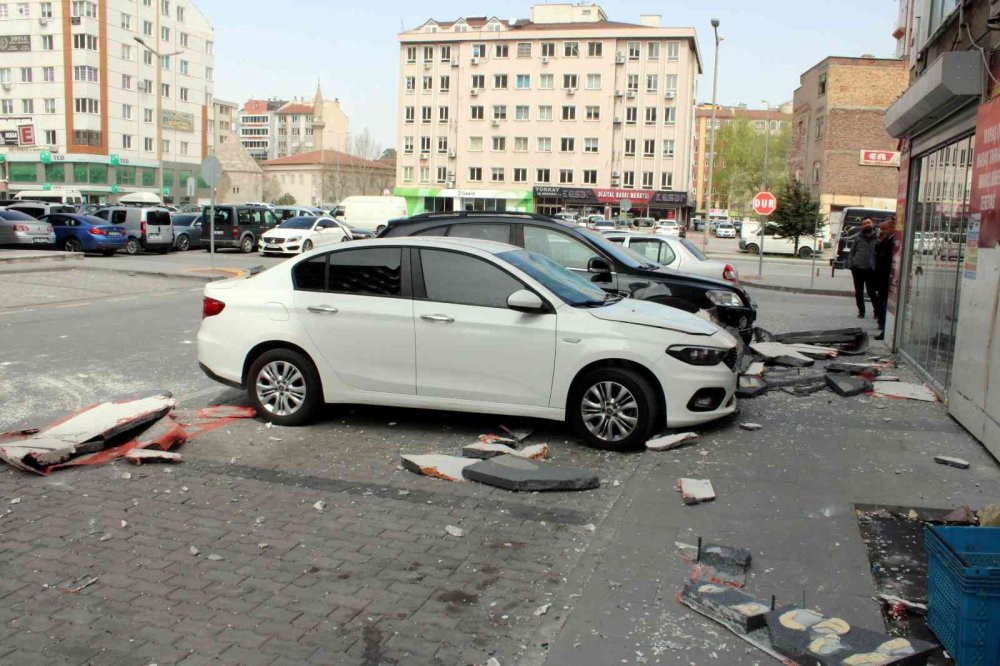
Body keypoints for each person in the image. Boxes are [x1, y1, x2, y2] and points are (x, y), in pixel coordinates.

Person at [848, 218, 879, 320]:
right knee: (859, 292)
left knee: (871, 292)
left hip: (871, 270)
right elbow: (852, 252)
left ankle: (877, 312)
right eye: (864, 224)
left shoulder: (878, 237)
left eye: (868, 223)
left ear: (873, 224)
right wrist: (851, 264)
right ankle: (861, 312)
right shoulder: (858, 237)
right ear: (862, 226)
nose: (866, 225)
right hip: (858, 269)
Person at [873, 219, 896, 340]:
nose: (882, 231)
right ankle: (882, 325)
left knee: (885, 304)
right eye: (880, 229)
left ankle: (884, 328)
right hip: (882, 278)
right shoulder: (885, 240)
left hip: (887, 278)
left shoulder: (893, 241)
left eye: (884, 229)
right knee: (882, 302)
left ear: (892, 228)